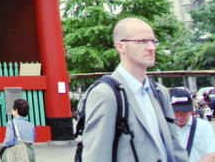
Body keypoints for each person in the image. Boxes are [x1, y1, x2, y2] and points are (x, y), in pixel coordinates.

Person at [79, 17, 187, 162]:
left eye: (153, 41)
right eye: (142, 41)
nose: (151, 48)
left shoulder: (160, 93)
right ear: (120, 46)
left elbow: (175, 149)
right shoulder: (106, 94)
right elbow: (96, 156)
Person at [170, 87, 215, 162]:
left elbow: (212, 154)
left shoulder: (203, 126)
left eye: (184, 112)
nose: (180, 116)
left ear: (191, 110)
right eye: (176, 112)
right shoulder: (164, 128)